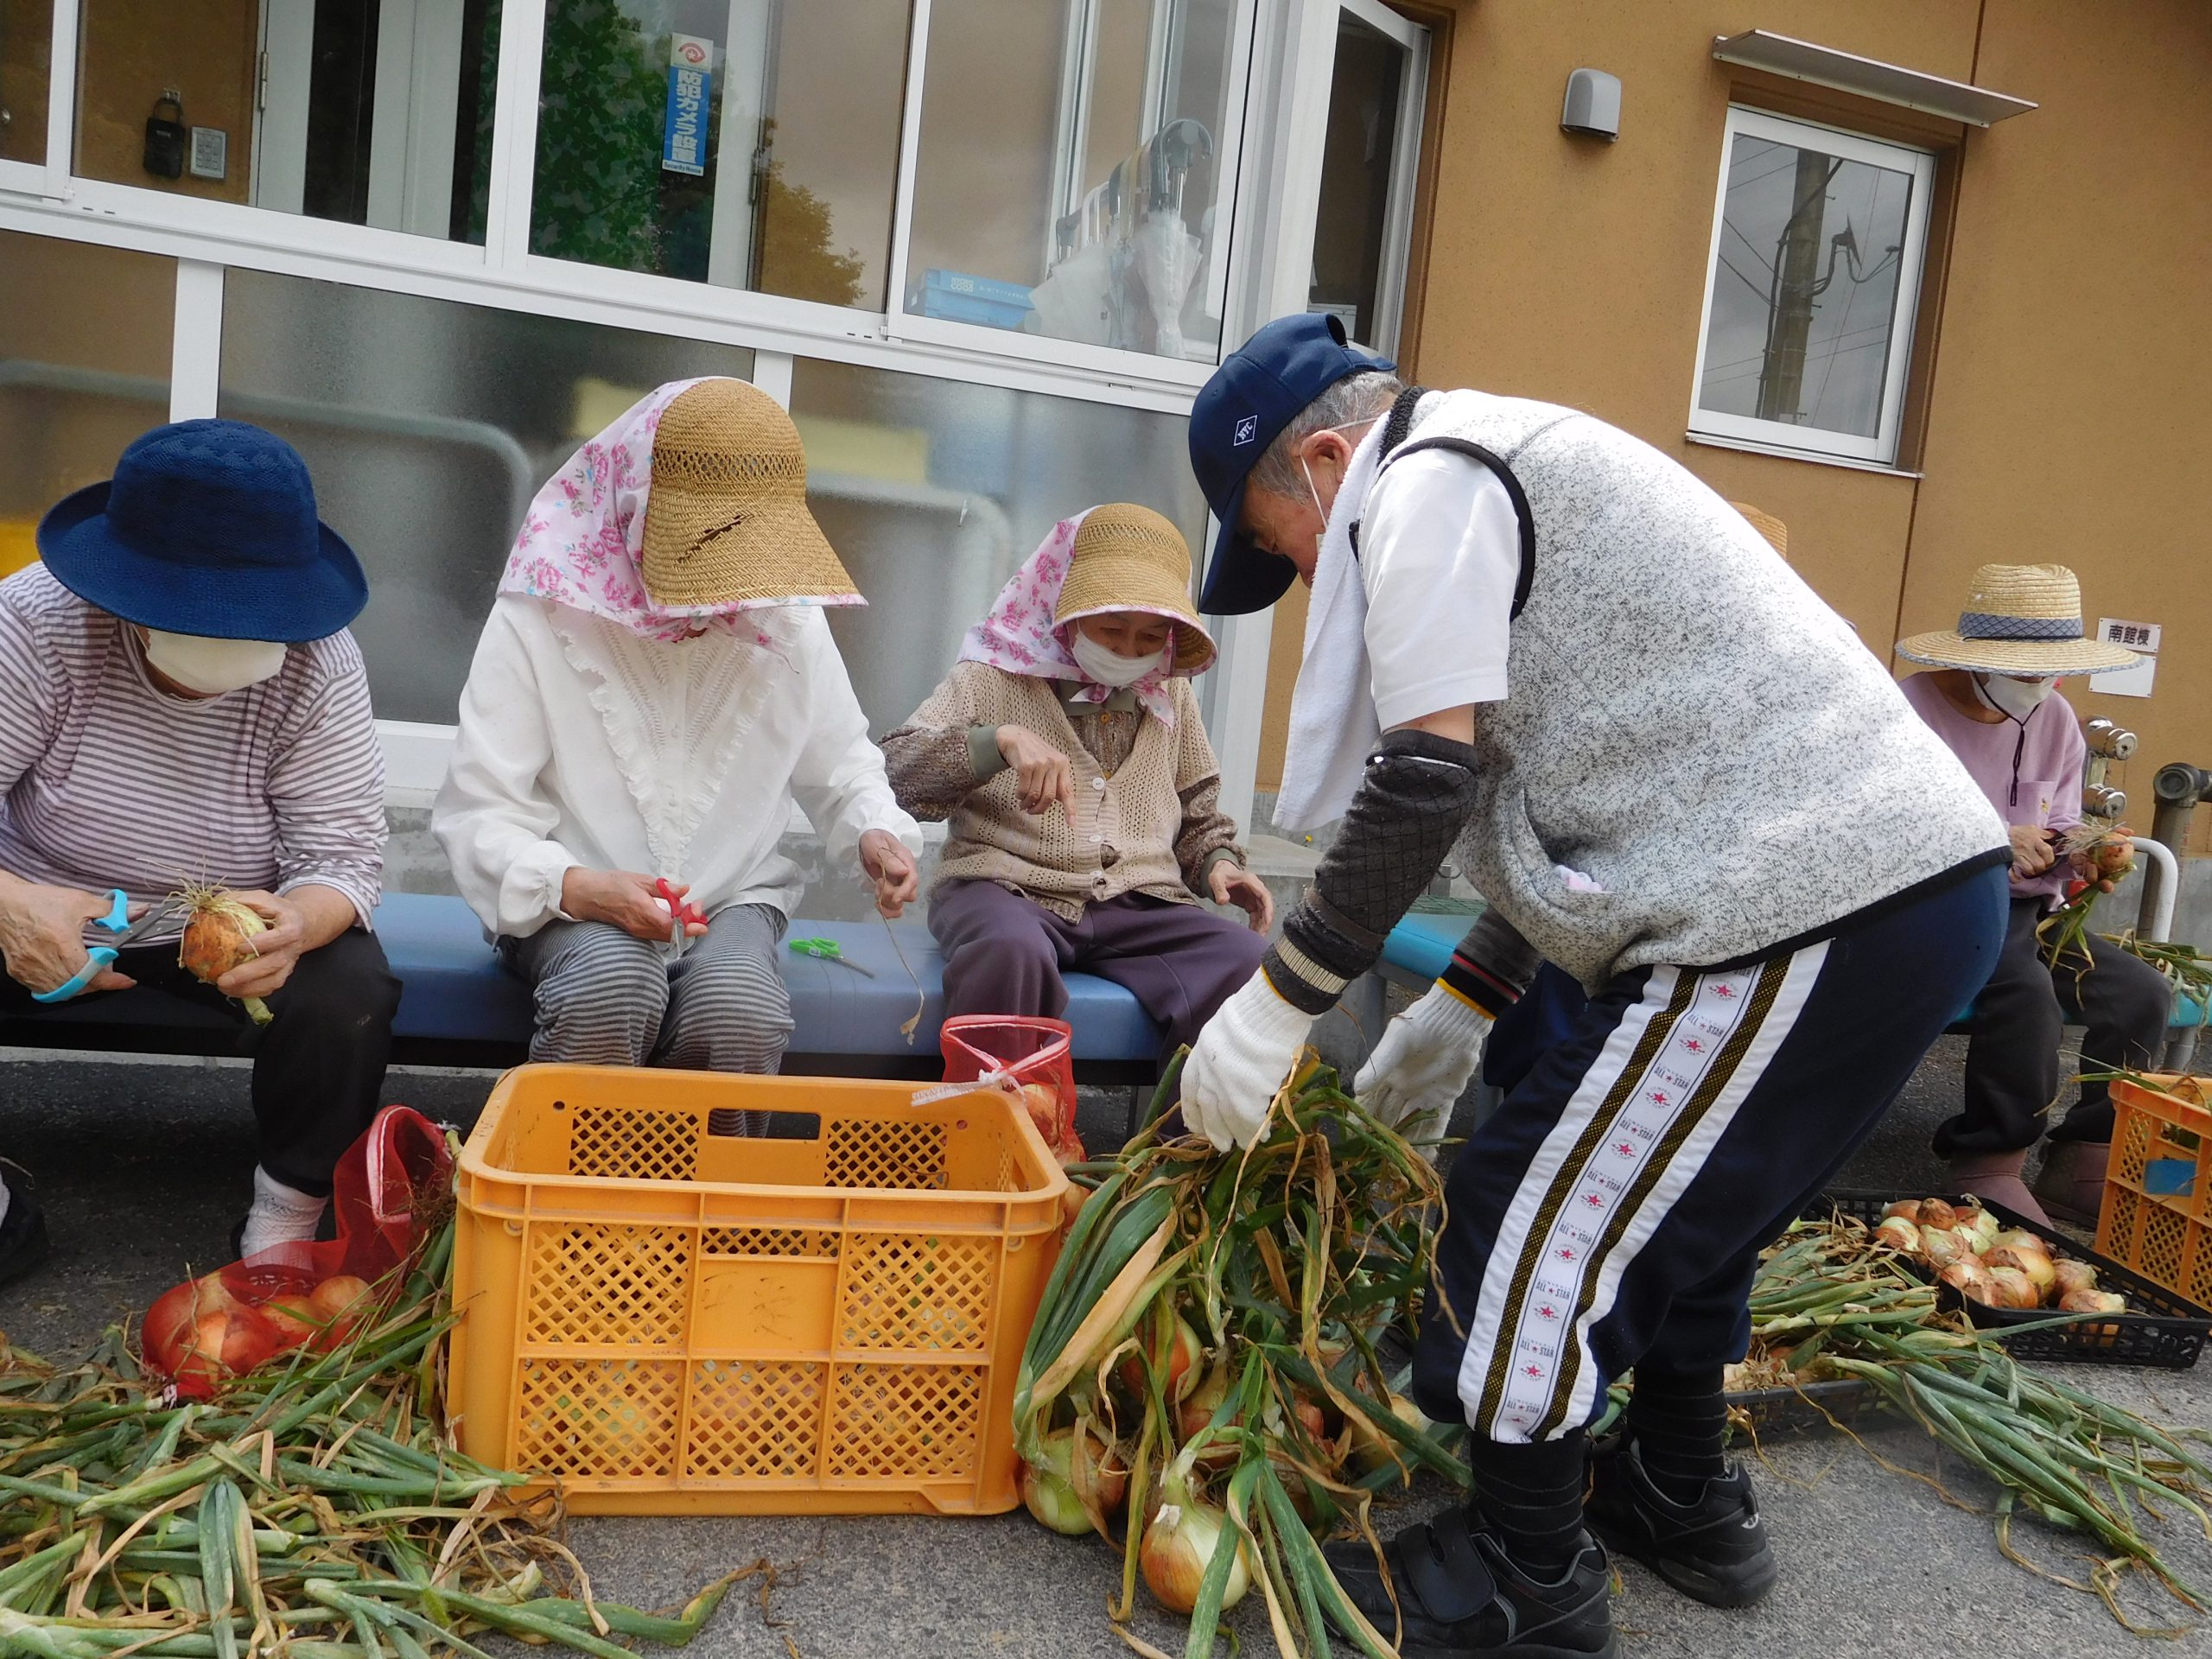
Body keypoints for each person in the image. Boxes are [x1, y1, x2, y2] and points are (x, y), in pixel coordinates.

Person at [1173, 315, 2010, 1656]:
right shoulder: (1500, 459)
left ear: (1326, 463)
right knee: (1686, 1219)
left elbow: (1426, 782)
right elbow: (1577, 828)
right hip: (1894, 893)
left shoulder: (1431, 480)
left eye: (1274, 541)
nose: (1289, 572)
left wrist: (1281, 1003)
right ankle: (1680, 1496)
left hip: (1801, 906)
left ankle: (1523, 1577)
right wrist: (1464, 1003)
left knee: (1526, 1213)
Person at [435, 378, 921, 1090]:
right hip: (569, 893)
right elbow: (481, 807)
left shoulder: (788, 616)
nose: (727, 592)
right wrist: (577, 886)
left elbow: (842, 764)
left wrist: (876, 832)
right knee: (610, 982)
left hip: (731, 896)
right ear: (632, 511)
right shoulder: (543, 613)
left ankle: (696, 1196)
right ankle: (577, 1195)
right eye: (701, 555)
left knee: (739, 1008)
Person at [1, 420, 398, 1260]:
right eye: (191, 619)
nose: (222, 642)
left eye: (250, 623)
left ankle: (284, 1231)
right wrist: (13, 906)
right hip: (44, 896)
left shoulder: (320, 662)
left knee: (348, 985)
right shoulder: (34, 623)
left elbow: (343, 856)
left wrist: (299, 922)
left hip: (222, 924)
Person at [881, 505, 1271, 1056]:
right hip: (1005, 892)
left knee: (1245, 962)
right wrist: (997, 742)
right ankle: (999, 1131)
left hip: (1139, 905)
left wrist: (1219, 863)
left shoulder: (1169, 692)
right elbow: (896, 775)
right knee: (1011, 950)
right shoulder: (993, 673)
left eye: (1149, 636)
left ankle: (1186, 1143)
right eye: (1111, 629)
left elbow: (1196, 811)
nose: (1129, 652)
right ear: (1065, 611)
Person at [1896, 564, 2168, 1226]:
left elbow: (2063, 820)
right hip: (1939, 911)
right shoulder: (1908, 710)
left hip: (2030, 913)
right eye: (2024, 672)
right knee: (2027, 998)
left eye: (2051, 672)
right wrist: (1992, 838)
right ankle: (1990, 1163)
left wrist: (2095, 848)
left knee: (2140, 994)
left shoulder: (2058, 719)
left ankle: (2082, 1158)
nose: (2040, 686)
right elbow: (1885, 821)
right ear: (1977, 663)